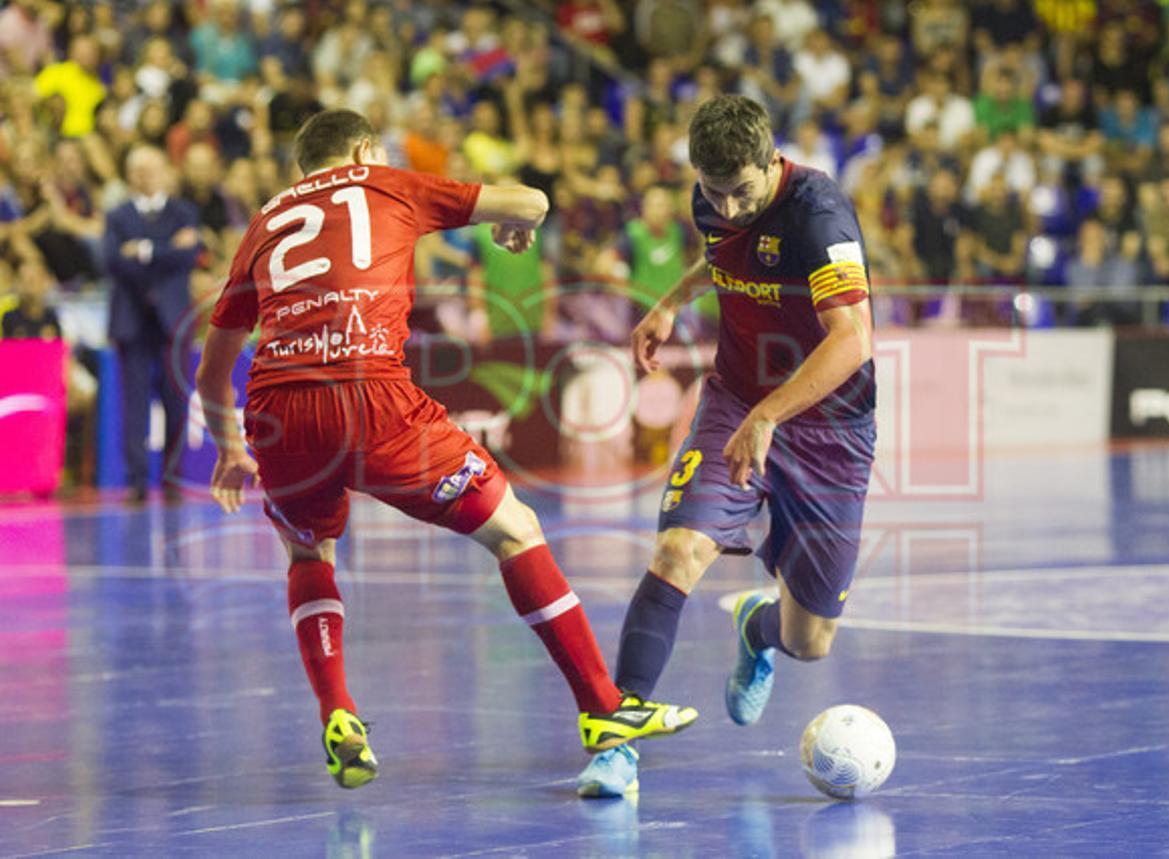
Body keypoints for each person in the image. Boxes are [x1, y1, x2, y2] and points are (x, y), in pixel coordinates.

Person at [195, 109, 696, 791]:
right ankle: (603, 708)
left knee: (309, 554)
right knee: (515, 530)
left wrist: (231, 448)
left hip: (277, 410)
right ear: (364, 151)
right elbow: (533, 201)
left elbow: (212, 368)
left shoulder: (266, 220)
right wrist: (511, 224)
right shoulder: (385, 182)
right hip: (371, 396)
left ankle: (338, 712)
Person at [576, 94, 876, 798]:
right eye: (715, 193)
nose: (730, 208)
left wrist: (772, 415)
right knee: (677, 552)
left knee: (809, 641)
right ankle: (617, 743)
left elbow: (853, 340)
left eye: (742, 191)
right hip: (736, 402)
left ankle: (756, 629)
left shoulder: (817, 214)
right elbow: (721, 255)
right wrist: (671, 302)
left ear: (772, 163)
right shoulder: (711, 199)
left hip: (830, 430)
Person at [104, 144, 202, 504]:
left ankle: (173, 479)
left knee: (176, 400)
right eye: (138, 170)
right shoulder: (117, 215)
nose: (144, 176)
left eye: (150, 168)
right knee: (134, 404)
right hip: (132, 319)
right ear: (129, 175)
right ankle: (137, 482)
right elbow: (113, 261)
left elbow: (189, 255)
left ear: (163, 172)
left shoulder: (183, 211)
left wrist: (144, 250)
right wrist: (165, 250)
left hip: (172, 319)